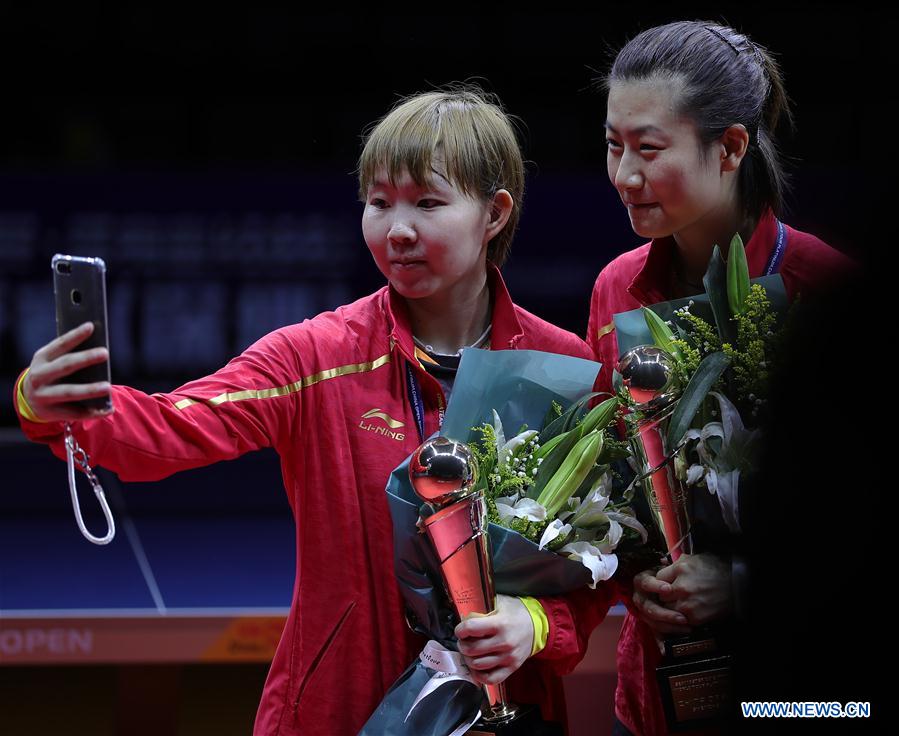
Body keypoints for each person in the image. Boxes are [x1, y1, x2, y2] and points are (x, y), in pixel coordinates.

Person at [16, 86, 610, 735]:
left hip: (505, 711)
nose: (397, 229)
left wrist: (537, 623)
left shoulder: (562, 368)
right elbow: (174, 425)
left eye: (427, 203)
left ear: (493, 214)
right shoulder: (316, 356)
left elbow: (603, 553)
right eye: (378, 202)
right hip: (337, 711)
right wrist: (58, 405)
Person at [585, 21, 855, 735]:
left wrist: (741, 583)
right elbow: (607, 477)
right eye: (613, 145)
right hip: (655, 698)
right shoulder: (615, 289)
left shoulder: (826, 292)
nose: (624, 175)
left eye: (648, 149)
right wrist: (633, 570)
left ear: (731, 148)